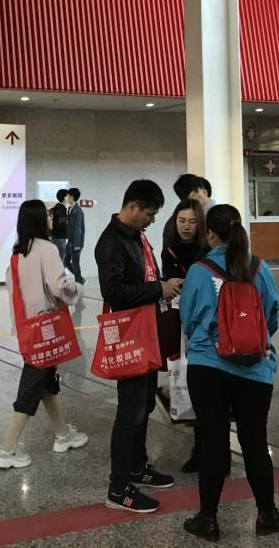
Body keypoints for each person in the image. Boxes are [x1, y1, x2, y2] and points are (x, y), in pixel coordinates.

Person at [180, 204, 279, 541]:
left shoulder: (198, 270)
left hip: (207, 367)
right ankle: (268, 515)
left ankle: (207, 519)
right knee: (255, 441)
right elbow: (272, 315)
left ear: (210, 234)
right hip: (255, 370)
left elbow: (188, 319)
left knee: (213, 441)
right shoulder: (259, 267)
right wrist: (249, 341)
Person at [97, 179, 184, 513]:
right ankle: (118, 489)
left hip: (147, 332)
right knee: (129, 412)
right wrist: (158, 289)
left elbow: (146, 279)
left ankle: (137, 466)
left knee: (144, 405)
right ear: (132, 206)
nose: (152, 219)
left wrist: (162, 286)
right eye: (149, 213)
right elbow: (113, 292)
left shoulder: (137, 237)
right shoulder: (111, 242)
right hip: (130, 335)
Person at [0, 200, 88, 468]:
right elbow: (59, 287)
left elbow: (14, 292)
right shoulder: (47, 248)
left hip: (29, 328)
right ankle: (7, 451)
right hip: (47, 328)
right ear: (38, 219)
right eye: (47, 213)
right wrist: (78, 289)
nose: (51, 217)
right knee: (31, 385)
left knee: (46, 382)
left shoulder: (18, 252)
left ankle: (63, 434)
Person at [159, 198, 208, 472]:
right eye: (181, 221)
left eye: (192, 222)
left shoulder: (207, 247)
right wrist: (168, 283)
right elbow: (167, 281)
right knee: (185, 377)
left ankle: (206, 449)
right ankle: (199, 447)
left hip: (205, 323)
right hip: (179, 321)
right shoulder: (169, 248)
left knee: (203, 384)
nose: (186, 227)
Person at [65, 187, 86, 284]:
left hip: (76, 242)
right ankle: (80, 279)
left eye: (68, 196)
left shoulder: (78, 211)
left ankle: (78, 283)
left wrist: (77, 244)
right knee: (66, 262)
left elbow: (78, 228)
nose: (67, 198)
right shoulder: (70, 209)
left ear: (72, 197)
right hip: (70, 241)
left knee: (75, 263)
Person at [50, 189, 70, 262]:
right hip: (60, 238)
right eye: (68, 196)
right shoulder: (62, 210)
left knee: (55, 259)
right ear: (64, 197)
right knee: (61, 261)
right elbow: (62, 224)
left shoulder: (55, 208)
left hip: (54, 237)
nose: (69, 197)